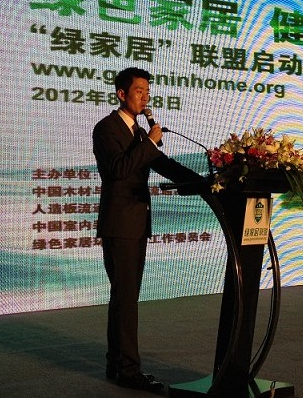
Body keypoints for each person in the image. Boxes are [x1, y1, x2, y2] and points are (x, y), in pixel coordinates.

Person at [93, 67, 202, 392]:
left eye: (147, 92)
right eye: (139, 91)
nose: (145, 97)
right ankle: (128, 371)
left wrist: (203, 182)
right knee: (125, 299)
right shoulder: (106, 128)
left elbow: (162, 164)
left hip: (137, 223)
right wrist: (151, 141)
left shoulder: (140, 133)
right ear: (121, 94)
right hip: (120, 225)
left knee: (125, 298)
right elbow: (118, 169)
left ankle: (117, 365)